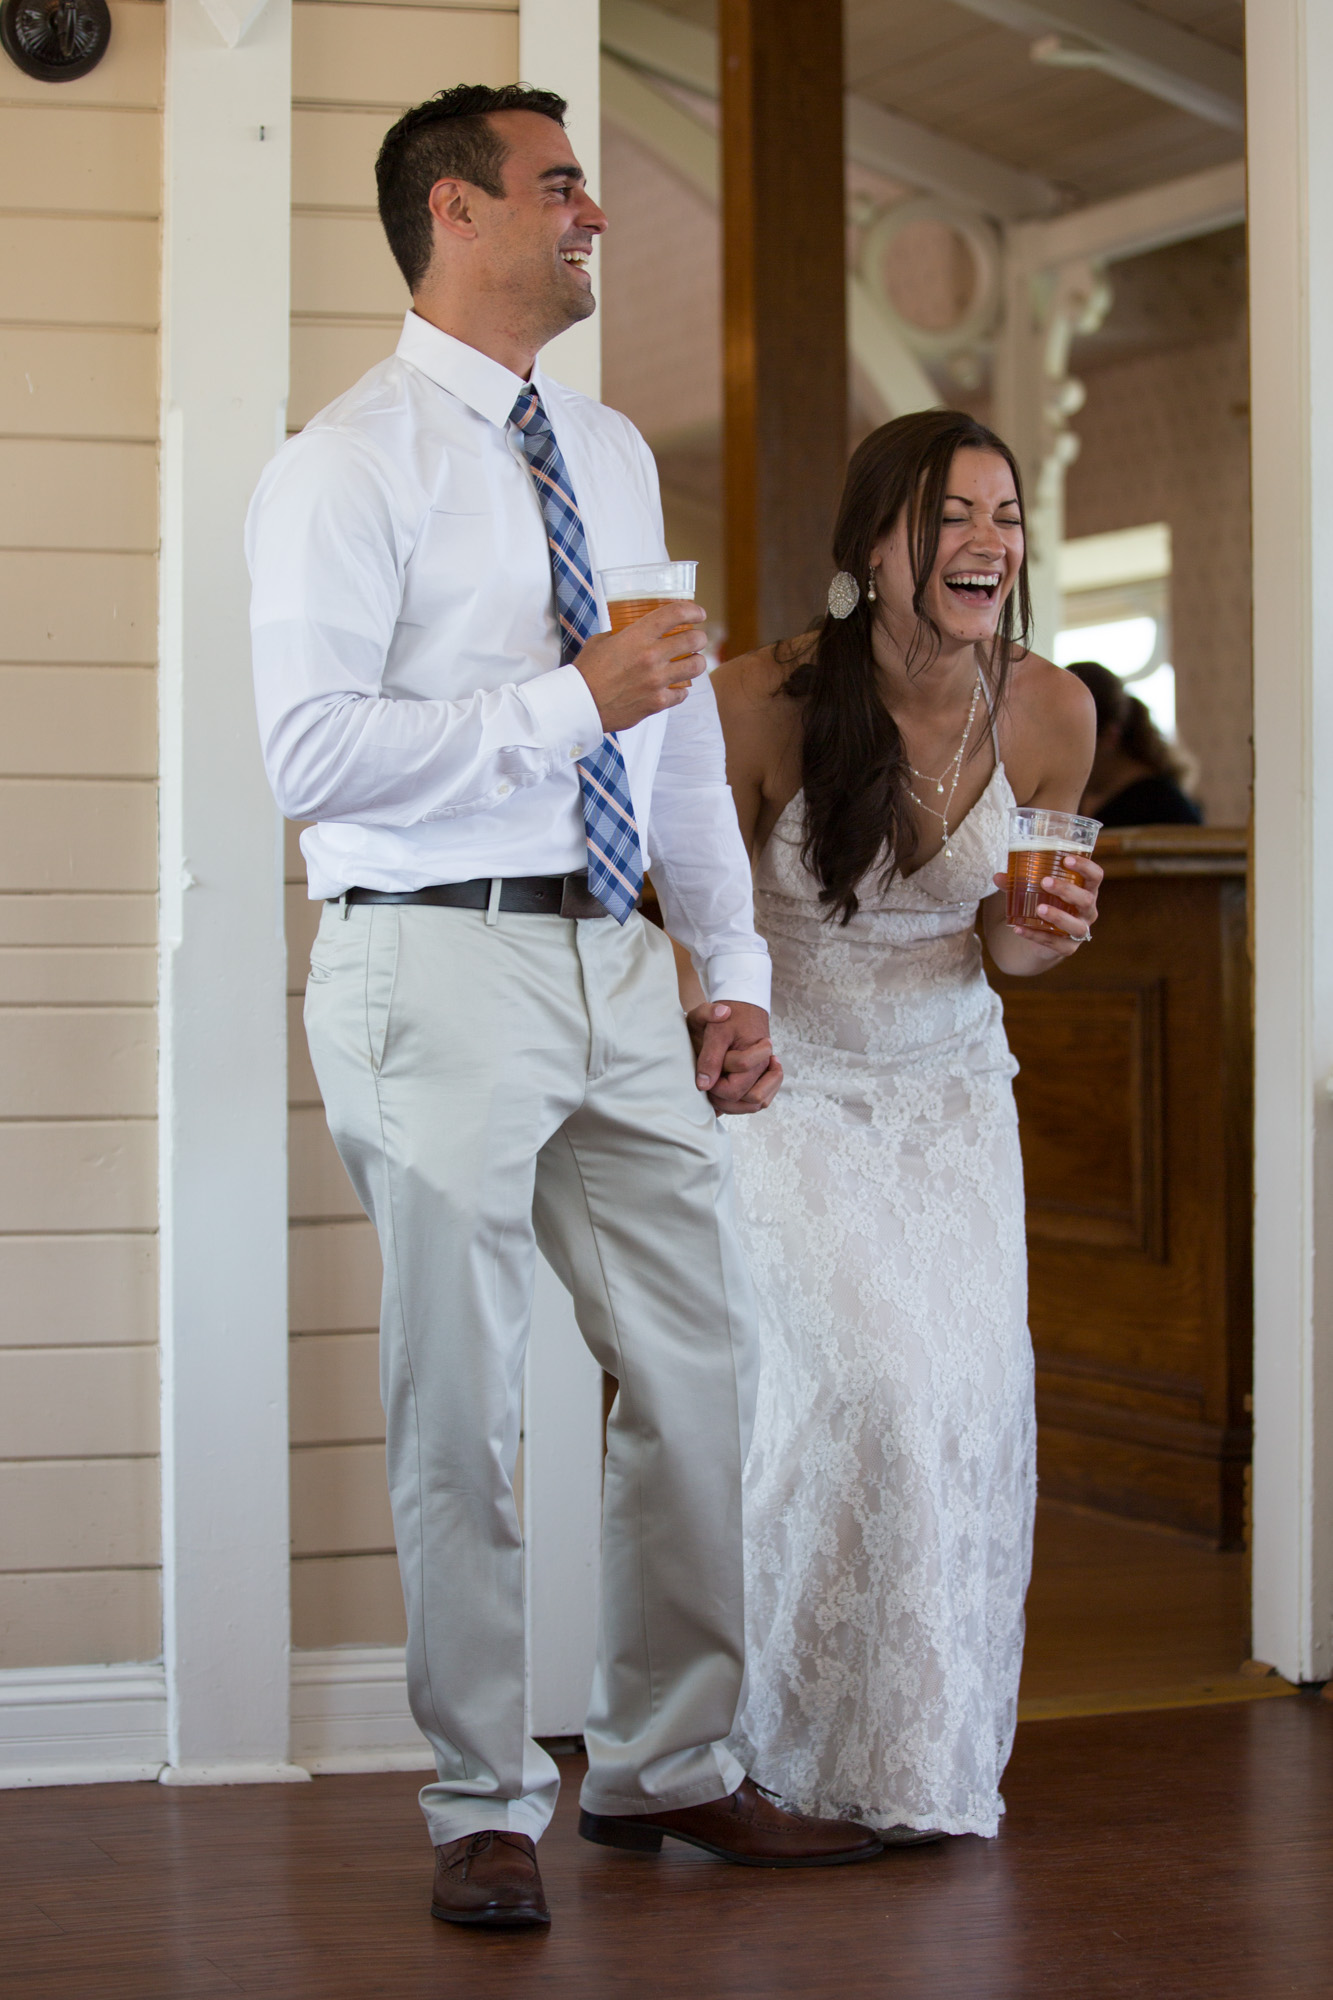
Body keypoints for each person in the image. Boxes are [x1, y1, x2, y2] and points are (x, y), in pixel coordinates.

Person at [246, 84, 882, 1933]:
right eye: (560, 184)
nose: (591, 211)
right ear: (456, 211)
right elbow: (308, 754)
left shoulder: (605, 455)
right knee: (467, 1399)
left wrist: (730, 966)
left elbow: (673, 734)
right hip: (425, 956)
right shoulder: (343, 465)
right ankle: (477, 1800)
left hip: (618, 962)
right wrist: (565, 704)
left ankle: (671, 1767)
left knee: (698, 1365)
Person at [701, 409, 1102, 1842]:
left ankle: (914, 1764)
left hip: (949, 1095)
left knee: (965, 1403)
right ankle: (754, 1747)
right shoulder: (760, 703)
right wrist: (720, 1027)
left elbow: (1016, 956)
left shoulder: (1052, 714)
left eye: (1003, 516)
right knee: (860, 1387)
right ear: (873, 546)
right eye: (950, 515)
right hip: (791, 1086)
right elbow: (703, 921)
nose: (985, 541)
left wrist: (1041, 936)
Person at [1065, 658, 1203, 826]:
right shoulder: (1080, 798)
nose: (1059, 755)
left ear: (1109, 737)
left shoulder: (1164, 807)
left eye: (1068, 742)